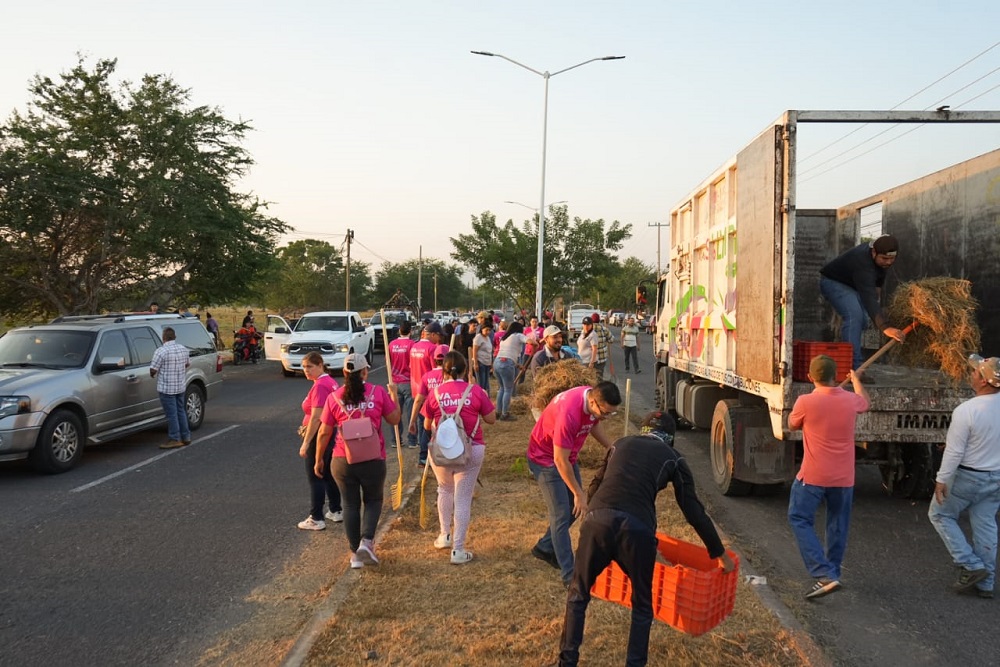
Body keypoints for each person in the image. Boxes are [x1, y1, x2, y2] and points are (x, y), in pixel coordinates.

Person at [558, 412, 735, 666]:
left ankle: (567, 661)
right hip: (637, 530)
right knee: (642, 605)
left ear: (643, 430)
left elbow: (596, 484)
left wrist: (591, 516)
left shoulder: (620, 443)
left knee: (578, 593)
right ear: (670, 438)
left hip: (597, 521)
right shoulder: (673, 457)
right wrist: (719, 554)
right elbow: (693, 511)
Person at [787, 355, 869, 599]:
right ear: (836, 376)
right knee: (837, 523)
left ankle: (824, 574)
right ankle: (832, 573)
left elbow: (792, 425)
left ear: (811, 377)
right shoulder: (851, 401)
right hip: (844, 477)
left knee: (799, 517)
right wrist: (855, 381)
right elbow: (865, 402)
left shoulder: (805, 402)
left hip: (813, 476)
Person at [527, 381, 621, 585]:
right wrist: (579, 493)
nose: (605, 417)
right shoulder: (569, 413)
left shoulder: (591, 400)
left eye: (611, 414)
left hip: (567, 457)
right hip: (545, 460)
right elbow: (559, 461)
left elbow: (593, 424)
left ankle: (545, 547)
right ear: (594, 402)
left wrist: (611, 447)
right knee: (561, 513)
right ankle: (570, 575)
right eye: (605, 412)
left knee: (573, 509)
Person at [315, 353, 400, 569]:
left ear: (344, 372)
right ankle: (367, 542)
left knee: (350, 504)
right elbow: (395, 419)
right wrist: (394, 396)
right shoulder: (377, 392)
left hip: (342, 459)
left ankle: (355, 554)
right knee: (373, 500)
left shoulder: (334, 397)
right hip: (373, 458)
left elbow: (324, 432)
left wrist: (318, 459)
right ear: (365, 371)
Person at [928, 353, 1000, 599]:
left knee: (939, 514)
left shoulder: (966, 411)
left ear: (984, 381)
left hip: (968, 476)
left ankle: (970, 565)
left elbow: (955, 451)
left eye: (975, 372)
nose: (972, 374)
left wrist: (941, 479)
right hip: (996, 477)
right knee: (986, 523)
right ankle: (986, 583)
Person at [423, 351, 497, 564]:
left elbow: (427, 425)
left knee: (444, 489)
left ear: (443, 370)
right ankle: (458, 549)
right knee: (463, 497)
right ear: (465, 370)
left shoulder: (435, 393)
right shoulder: (475, 391)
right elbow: (491, 419)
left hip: (442, 451)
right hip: (471, 448)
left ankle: (444, 535)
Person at [819, 234, 907, 369]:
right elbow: (868, 297)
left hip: (854, 285)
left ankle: (847, 354)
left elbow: (876, 286)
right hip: (834, 282)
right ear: (873, 252)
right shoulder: (863, 263)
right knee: (855, 317)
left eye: (892, 259)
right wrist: (885, 327)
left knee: (864, 321)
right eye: (885, 258)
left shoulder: (880, 255)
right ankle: (853, 369)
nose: (888, 262)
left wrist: (875, 302)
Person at [297, 352, 342, 530]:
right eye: (304, 367)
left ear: (320, 365)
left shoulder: (320, 386)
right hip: (330, 433)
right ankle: (335, 509)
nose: (306, 370)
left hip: (319, 434)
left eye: (310, 366)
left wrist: (306, 443)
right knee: (328, 474)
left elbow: (316, 417)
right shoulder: (329, 382)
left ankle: (316, 517)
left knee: (315, 475)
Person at [149, 327, 191, 450]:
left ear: (163, 338)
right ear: (175, 337)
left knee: (171, 414)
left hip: (167, 387)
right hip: (180, 386)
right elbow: (187, 364)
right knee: (181, 411)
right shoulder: (183, 349)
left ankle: (174, 438)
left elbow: (153, 369)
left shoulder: (161, 351)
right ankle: (186, 436)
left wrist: (152, 374)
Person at [410, 344, 450, 465]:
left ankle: (423, 457)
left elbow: (418, 399)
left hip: (427, 410)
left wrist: (412, 420)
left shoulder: (427, 376)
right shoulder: (449, 376)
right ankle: (443, 456)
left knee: (426, 433)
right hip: (445, 409)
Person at [494, 321, 537, 421]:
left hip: (497, 362)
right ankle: (505, 414)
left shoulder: (504, 338)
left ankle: (498, 412)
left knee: (501, 389)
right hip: (506, 364)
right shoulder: (518, 335)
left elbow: (507, 354)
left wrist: (518, 365)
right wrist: (536, 343)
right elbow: (531, 342)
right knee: (508, 389)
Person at [388, 321, 418, 448]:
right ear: (410, 331)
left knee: (395, 412)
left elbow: (388, 362)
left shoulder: (391, 344)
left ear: (399, 331)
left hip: (394, 382)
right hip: (408, 382)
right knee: (411, 413)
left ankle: (395, 439)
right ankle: (412, 440)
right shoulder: (412, 345)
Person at [590, 313, 614, 380]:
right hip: (601, 358)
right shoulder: (604, 329)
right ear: (599, 320)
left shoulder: (588, 329)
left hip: (590, 358)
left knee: (590, 377)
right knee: (599, 376)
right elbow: (611, 340)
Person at [472, 322, 494, 394]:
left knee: (486, 382)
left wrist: (491, 363)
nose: (488, 332)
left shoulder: (487, 338)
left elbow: (489, 351)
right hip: (480, 362)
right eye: (486, 330)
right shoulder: (478, 337)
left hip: (487, 362)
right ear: (482, 329)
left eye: (489, 330)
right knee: (481, 383)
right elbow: (474, 350)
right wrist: (475, 363)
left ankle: (485, 397)